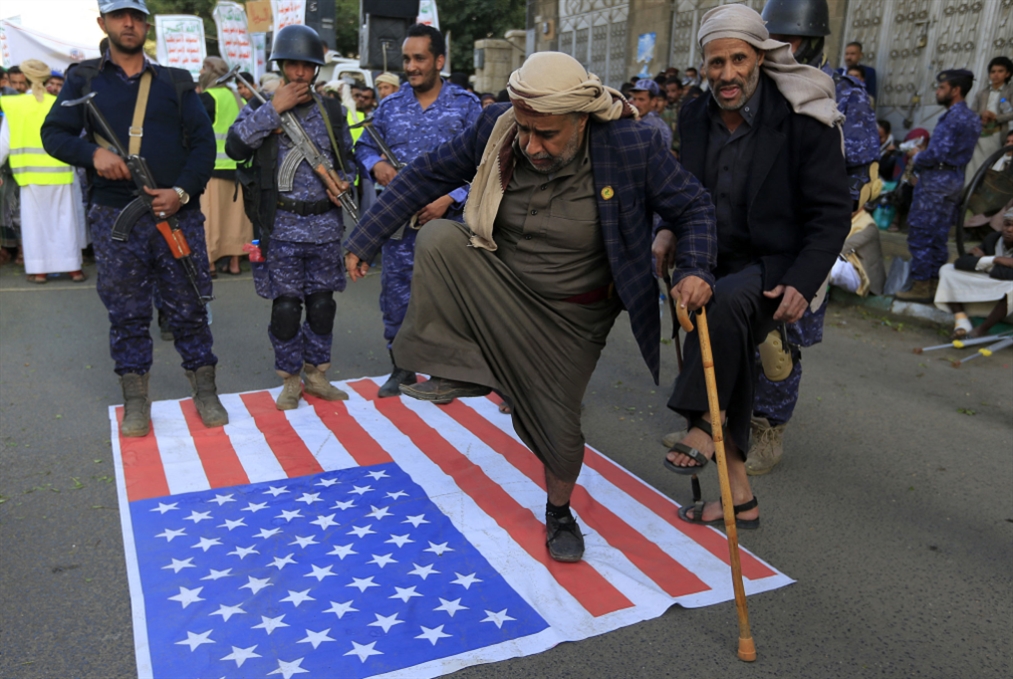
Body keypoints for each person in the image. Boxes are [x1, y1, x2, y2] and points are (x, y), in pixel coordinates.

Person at [344, 51, 717, 562]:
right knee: (440, 239)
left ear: (580, 120)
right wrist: (365, 237)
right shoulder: (497, 127)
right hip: (501, 286)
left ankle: (559, 511)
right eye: (524, 129)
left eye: (547, 134)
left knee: (559, 433)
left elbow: (693, 205)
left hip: (574, 315)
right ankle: (464, 370)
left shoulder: (631, 145)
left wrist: (696, 269)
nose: (530, 145)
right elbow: (427, 173)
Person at [655, 4, 849, 524]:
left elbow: (832, 216)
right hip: (713, 254)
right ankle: (739, 497)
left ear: (760, 58)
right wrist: (668, 229)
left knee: (722, 308)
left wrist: (803, 282)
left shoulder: (804, 119)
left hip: (779, 260)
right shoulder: (694, 115)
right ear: (703, 65)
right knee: (727, 350)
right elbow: (687, 191)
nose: (727, 74)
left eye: (738, 59)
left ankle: (704, 421)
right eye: (715, 62)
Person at [41, 0, 227, 436]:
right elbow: (54, 133)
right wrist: (93, 154)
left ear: (146, 25)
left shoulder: (175, 81)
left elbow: (204, 145)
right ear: (102, 22)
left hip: (176, 215)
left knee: (189, 307)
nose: (129, 23)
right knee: (126, 312)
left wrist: (181, 192)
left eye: (137, 17)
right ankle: (136, 401)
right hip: (116, 217)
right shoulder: (84, 78)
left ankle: (205, 391)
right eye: (120, 16)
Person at [722, 0, 877, 475]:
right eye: (775, 40)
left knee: (779, 340)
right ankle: (720, 422)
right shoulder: (754, 83)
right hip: (747, 233)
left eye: (793, 40)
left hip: (805, 239)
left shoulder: (843, 93)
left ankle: (768, 430)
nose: (784, 49)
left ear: (812, 40)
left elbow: (859, 175)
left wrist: (816, 239)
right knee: (731, 329)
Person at [226, 24, 356, 411]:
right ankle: (290, 379)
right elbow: (235, 147)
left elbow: (347, 160)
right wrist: (273, 110)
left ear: (316, 69)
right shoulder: (259, 107)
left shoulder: (332, 111)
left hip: (324, 228)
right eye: (292, 64)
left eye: (307, 65)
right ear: (281, 66)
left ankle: (317, 374)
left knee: (322, 305)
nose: (300, 72)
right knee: (285, 308)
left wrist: (344, 183)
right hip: (280, 228)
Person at [353, 23, 481, 398]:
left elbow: (488, 162)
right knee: (397, 298)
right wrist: (377, 164)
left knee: (449, 299)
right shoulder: (391, 107)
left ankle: (447, 372)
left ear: (439, 60)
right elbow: (364, 146)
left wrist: (451, 197)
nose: (410, 66)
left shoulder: (466, 106)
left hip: (449, 226)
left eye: (419, 58)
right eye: (407, 59)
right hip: (400, 227)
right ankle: (402, 368)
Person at [896, 70, 982, 302]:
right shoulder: (972, 118)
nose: (937, 91)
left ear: (956, 90)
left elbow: (937, 154)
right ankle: (934, 284)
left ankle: (921, 285)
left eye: (942, 88)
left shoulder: (952, 117)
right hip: (954, 180)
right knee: (938, 235)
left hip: (936, 181)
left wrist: (917, 155)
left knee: (921, 232)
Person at [0, 59, 86, 284]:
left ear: (25, 78)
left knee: (35, 225)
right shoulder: (60, 103)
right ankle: (74, 269)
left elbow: (3, 144)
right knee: (65, 222)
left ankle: (39, 271)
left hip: (29, 176)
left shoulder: (14, 106)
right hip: (61, 172)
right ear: (47, 79)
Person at [196, 57, 252, 278]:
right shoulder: (238, 98)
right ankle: (235, 263)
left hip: (213, 168)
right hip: (238, 168)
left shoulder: (207, 98)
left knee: (210, 216)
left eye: (203, 68)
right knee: (236, 218)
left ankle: (210, 263)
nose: (200, 72)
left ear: (210, 72)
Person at [935, 209, 1013, 338]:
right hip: (994, 283)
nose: (1009, 229)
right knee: (947, 269)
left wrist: (983, 262)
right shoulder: (993, 239)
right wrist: (995, 260)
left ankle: (981, 330)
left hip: (1009, 299)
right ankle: (961, 320)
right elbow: (961, 262)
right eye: (1007, 224)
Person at [966, 56, 1013, 184]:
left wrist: (996, 117)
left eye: (1000, 71)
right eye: (993, 71)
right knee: (972, 166)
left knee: (990, 165)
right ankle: (968, 191)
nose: (996, 75)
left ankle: (982, 192)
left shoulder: (1010, 92)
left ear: (1008, 74)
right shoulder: (982, 93)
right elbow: (972, 113)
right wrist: (982, 115)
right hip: (980, 134)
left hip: (997, 134)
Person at [627, 78, 672, 151]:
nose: (636, 104)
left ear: (653, 101)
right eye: (634, 99)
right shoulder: (639, 121)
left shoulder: (653, 126)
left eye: (641, 99)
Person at [660, 77, 683, 157]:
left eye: (673, 91)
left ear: (680, 91)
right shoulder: (663, 108)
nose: (669, 94)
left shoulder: (684, 108)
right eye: (667, 91)